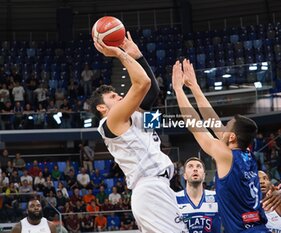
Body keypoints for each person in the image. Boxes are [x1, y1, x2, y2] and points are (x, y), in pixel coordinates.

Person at [89, 32, 187, 232]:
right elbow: (142, 83)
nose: (120, 97)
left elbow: (152, 92)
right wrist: (119, 53)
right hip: (150, 186)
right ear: (101, 108)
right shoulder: (111, 121)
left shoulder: (132, 116)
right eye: (114, 96)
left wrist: (138, 56)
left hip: (160, 185)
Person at [172, 59, 269, 232]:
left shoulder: (227, 156)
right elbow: (214, 122)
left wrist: (178, 90)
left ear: (231, 137)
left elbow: (196, 126)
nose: (221, 128)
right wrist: (194, 87)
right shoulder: (247, 153)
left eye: (227, 127)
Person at [176, 157, 221, 233]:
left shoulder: (217, 197)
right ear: (185, 176)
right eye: (190, 166)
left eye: (198, 166)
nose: (195, 169)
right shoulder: (174, 198)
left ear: (204, 175)